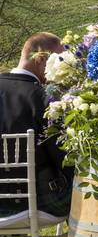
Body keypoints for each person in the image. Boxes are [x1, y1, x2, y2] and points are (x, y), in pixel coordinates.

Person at [0, 33, 73, 219]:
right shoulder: (44, 98)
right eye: (60, 61)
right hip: (37, 204)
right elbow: (65, 158)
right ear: (41, 59)